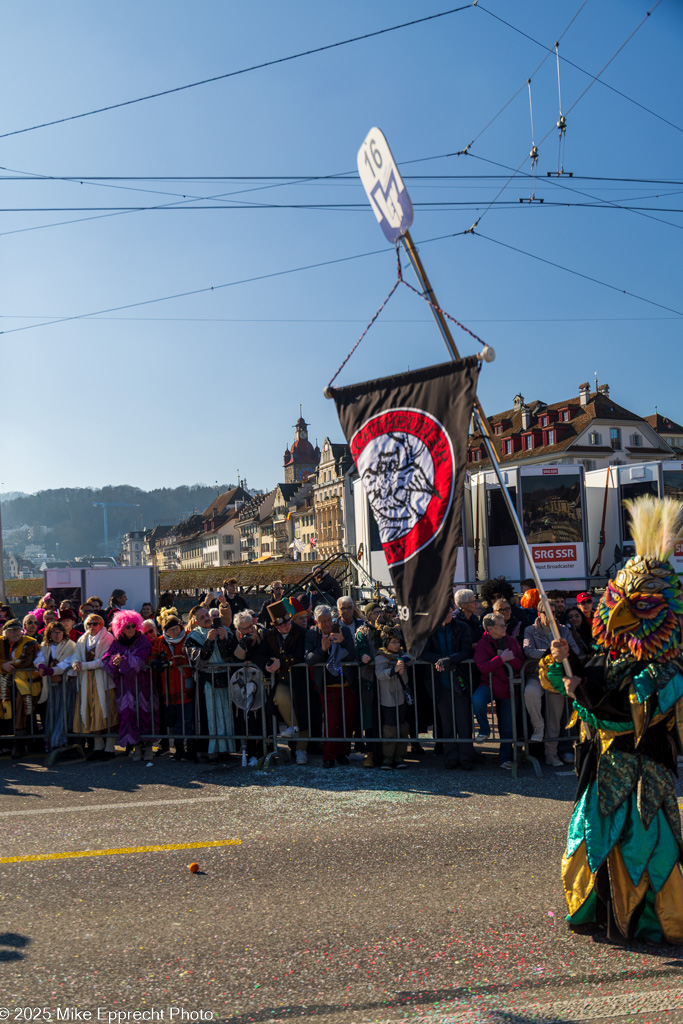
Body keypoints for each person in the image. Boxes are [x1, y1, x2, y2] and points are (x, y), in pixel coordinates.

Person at [543, 496, 683, 944]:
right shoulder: (610, 655)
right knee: (587, 844)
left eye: (637, 606)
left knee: (644, 853)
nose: (619, 614)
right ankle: (598, 910)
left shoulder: (670, 669)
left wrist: (579, 690)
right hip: (601, 773)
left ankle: (650, 922)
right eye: (617, 600)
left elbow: (626, 715)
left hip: (644, 775)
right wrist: (562, 664)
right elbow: (589, 685)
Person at [254, 601, 310, 765]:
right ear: (276, 626)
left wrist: (282, 662)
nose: (286, 626)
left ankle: (301, 750)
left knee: (304, 714)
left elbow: (301, 655)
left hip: (301, 681)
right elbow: (258, 655)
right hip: (282, 682)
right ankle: (293, 727)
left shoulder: (301, 632)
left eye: (287, 622)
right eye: (282, 624)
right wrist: (267, 665)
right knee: (280, 697)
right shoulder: (270, 635)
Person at [522, 600, 578, 766]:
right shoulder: (530, 630)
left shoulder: (563, 630)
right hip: (536, 674)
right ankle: (538, 727)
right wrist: (552, 653)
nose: (551, 616)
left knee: (556, 717)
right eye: (547, 612)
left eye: (554, 612)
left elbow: (575, 649)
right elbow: (528, 650)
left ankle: (551, 754)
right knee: (530, 692)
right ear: (539, 614)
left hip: (556, 676)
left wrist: (559, 653)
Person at [423, 604, 474, 770]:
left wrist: (451, 659)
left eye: (449, 611)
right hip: (439, 682)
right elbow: (423, 652)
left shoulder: (462, 627)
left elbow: (466, 650)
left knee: (464, 721)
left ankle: (466, 756)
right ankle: (451, 755)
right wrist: (439, 659)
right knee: (447, 722)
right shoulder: (429, 629)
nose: (447, 614)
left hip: (459, 680)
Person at [305, 604, 356, 768]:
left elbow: (354, 655)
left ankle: (343, 753)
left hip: (345, 682)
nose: (327, 624)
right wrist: (322, 649)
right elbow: (308, 659)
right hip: (327, 686)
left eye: (329, 620)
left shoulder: (343, 631)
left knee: (346, 722)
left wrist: (343, 642)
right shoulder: (312, 634)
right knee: (331, 722)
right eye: (323, 621)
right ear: (316, 622)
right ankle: (329, 756)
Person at [103, 610, 156, 762]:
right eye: (127, 626)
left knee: (145, 714)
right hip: (125, 687)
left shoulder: (143, 640)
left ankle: (148, 748)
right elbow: (106, 660)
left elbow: (141, 659)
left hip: (143, 685)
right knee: (128, 715)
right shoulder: (117, 642)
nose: (131, 629)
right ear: (121, 628)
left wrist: (123, 660)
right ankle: (136, 747)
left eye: (133, 626)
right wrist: (114, 660)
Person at [472, 613, 523, 769]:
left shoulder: (512, 641)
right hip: (489, 684)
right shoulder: (482, 643)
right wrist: (500, 659)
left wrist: (509, 659)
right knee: (477, 700)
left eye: (504, 624)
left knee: (507, 726)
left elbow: (521, 664)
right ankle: (485, 729)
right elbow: (482, 666)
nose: (504, 627)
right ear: (490, 628)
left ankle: (505, 758)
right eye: (501, 625)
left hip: (509, 687)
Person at [184, 605, 235, 760]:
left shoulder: (223, 630)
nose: (207, 618)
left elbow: (230, 656)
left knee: (226, 714)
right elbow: (198, 660)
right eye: (202, 617)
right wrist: (208, 641)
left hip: (224, 679)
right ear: (196, 621)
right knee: (210, 716)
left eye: (207, 615)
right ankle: (210, 751)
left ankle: (226, 749)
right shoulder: (193, 636)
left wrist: (223, 639)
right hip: (207, 681)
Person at [71, 613, 116, 759]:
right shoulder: (82, 639)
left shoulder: (107, 638)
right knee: (92, 712)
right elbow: (75, 655)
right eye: (89, 623)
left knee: (106, 712)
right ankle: (98, 747)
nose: (92, 626)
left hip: (103, 681)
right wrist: (75, 663)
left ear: (101, 625)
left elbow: (103, 660)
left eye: (95, 623)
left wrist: (83, 665)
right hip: (86, 681)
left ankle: (110, 748)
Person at [150, 616, 194, 761]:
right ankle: (178, 747)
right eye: (171, 630)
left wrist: (170, 663)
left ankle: (190, 747)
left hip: (184, 682)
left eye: (177, 628)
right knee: (174, 719)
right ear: (165, 631)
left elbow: (187, 658)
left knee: (187, 718)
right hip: (169, 686)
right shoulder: (160, 641)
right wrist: (154, 662)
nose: (175, 632)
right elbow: (151, 657)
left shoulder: (187, 637)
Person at [1, 618, 42, 758]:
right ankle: (7, 745)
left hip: (26, 686)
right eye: (12, 630)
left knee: (23, 714)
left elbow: (27, 661)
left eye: (18, 630)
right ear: (5, 632)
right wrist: (2, 665)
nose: (16, 633)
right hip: (6, 685)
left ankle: (21, 746)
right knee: (6, 713)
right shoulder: (1, 642)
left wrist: (9, 664)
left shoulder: (30, 642)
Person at [35, 621, 76, 753]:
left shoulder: (70, 645)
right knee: (51, 713)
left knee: (63, 713)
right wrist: (41, 666)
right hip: (51, 685)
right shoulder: (45, 645)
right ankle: (50, 742)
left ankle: (59, 742)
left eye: (59, 632)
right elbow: (39, 658)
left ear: (63, 633)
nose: (57, 635)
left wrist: (52, 670)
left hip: (66, 684)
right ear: (49, 633)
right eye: (54, 632)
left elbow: (68, 662)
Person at [374, 626, 411, 770]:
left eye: (398, 642)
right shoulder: (380, 657)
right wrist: (393, 669)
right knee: (390, 727)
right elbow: (380, 674)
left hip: (401, 695)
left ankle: (400, 756)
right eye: (393, 642)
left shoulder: (402, 655)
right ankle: (387, 758)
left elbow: (412, 656)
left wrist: (404, 661)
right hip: (387, 697)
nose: (397, 645)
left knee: (402, 726)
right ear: (386, 643)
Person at [355, 602, 384, 768]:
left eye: (380, 612)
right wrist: (364, 655)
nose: (378, 615)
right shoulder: (362, 632)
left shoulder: (386, 629)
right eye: (375, 612)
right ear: (368, 615)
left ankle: (391, 752)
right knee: (370, 718)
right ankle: (371, 752)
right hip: (369, 680)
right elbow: (361, 647)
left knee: (387, 716)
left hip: (386, 679)